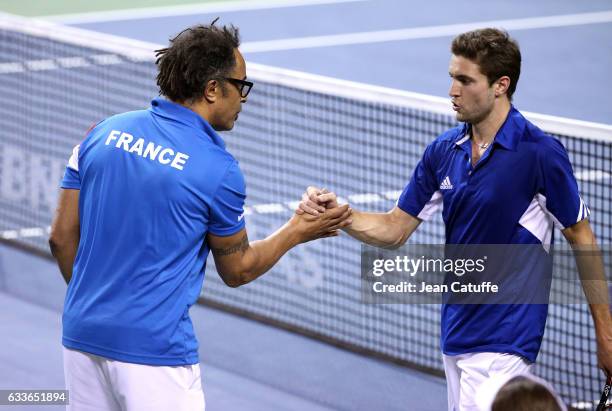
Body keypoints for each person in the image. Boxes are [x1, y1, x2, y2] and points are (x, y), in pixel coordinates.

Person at [298, 28, 612, 410]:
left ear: (500, 85)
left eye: (465, 80)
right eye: (452, 77)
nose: (452, 90)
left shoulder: (539, 155)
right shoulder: (444, 151)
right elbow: (394, 229)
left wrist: (605, 335)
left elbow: (582, 239)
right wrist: (342, 215)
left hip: (506, 342)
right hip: (455, 335)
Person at [48, 21, 351, 411]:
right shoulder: (217, 169)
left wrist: (98, 303)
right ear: (212, 89)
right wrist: (298, 229)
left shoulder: (101, 133)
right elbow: (237, 270)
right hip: (153, 353)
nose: (243, 99)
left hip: (80, 334)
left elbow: (60, 238)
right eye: (240, 86)